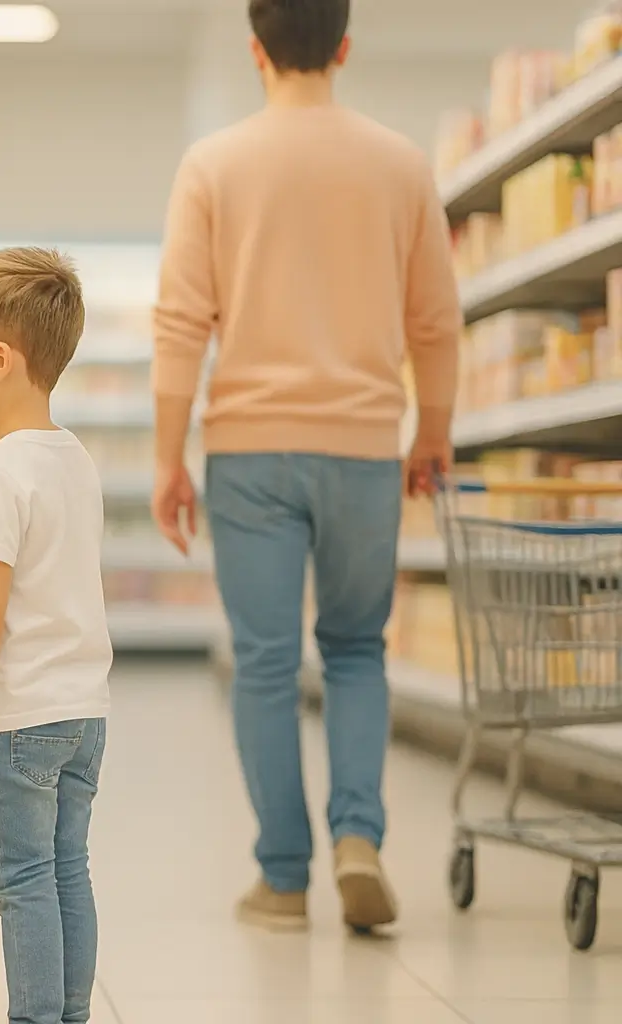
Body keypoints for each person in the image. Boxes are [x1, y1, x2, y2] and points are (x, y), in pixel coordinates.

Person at [150, 0, 462, 934]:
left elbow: (179, 325)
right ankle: (358, 835)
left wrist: (170, 458)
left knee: (266, 663)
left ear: (255, 52)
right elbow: (436, 324)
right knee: (358, 649)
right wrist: (431, 435)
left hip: (249, 450)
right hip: (364, 448)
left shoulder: (214, 164)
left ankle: (283, 878)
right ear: (344, 47)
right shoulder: (401, 164)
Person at [0, 248, 113, 1024]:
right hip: (83, 712)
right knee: (68, 868)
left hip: (17, 720)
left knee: (22, 884)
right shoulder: (74, 459)